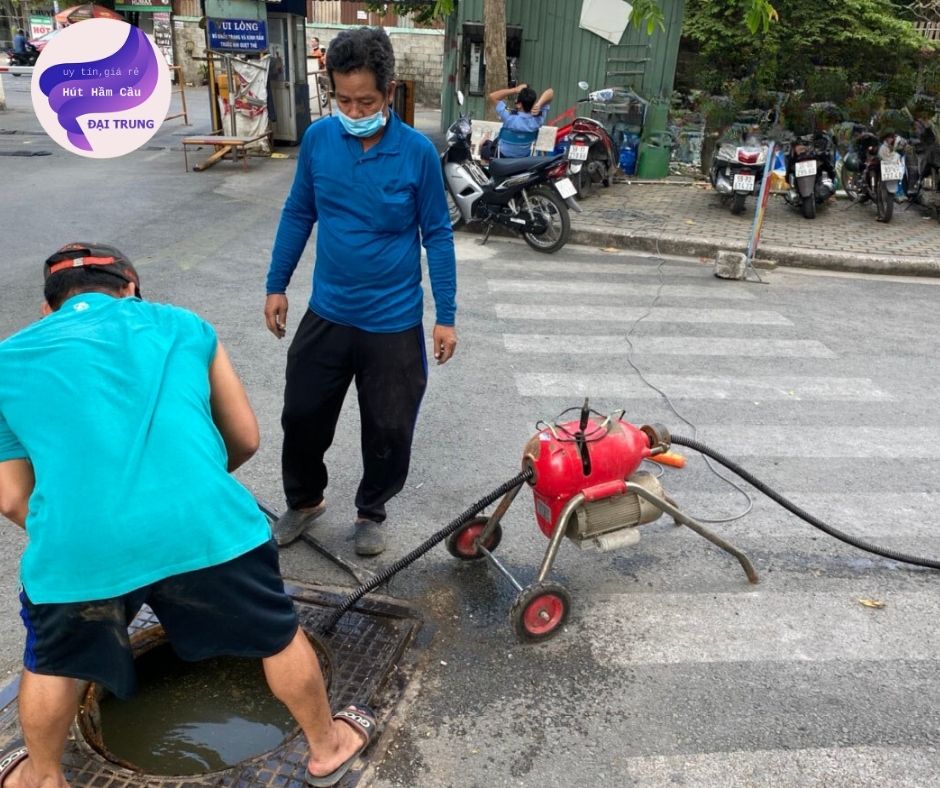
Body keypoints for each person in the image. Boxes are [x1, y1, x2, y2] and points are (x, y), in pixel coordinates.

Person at [0, 243, 375, 788]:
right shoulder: (183, 325)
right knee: (277, 635)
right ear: (131, 287)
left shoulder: (8, 361)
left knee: (53, 661)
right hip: (206, 523)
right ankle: (327, 747)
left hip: (80, 546)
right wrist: (186, 484)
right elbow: (244, 437)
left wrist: (85, 527)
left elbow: (12, 499)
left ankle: (43, 777)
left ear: (47, 308)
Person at [264, 27, 457, 557]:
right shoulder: (319, 141)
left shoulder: (417, 153)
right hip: (327, 311)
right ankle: (304, 502)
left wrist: (446, 314)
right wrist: (276, 284)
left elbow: (437, 235)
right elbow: (300, 211)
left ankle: (372, 509)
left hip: (392, 322)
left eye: (366, 101)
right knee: (301, 414)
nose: (353, 110)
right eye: (344, 100)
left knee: (389, 427)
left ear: (389, 93)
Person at [486, 83, 554, 158]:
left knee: (485, 146)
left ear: (519, 104)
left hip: (502, 155)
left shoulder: (509, 117)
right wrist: (539, 104)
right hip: (523, 158)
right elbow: (550, 92)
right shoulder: (537, 120)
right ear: (533, 103)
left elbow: (493, 96)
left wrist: (515, 90)